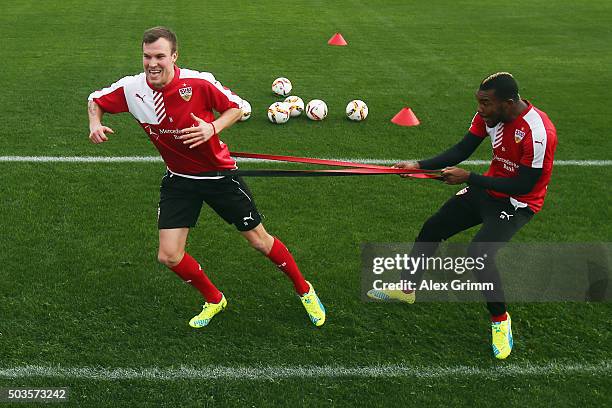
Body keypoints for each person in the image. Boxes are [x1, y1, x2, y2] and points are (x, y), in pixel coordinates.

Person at [87, 26, 325, 328]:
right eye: (147, 57)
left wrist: (212, 128)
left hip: (218, 176)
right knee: (169, 255)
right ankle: (214, 299)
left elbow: (237, 107)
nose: (152, 64)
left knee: (260, 241)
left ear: (174, 56)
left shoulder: (198, 83)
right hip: (179, 179)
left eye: (160, 56)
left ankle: (304, 289)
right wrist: (95, 123)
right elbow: (95, 99)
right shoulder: (132, 89)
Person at [368, 72, 557, 359]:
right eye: (479, 102)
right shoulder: (490, 115)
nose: (480, 109)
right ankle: (407, 288)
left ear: (508, 103)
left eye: (486, 103)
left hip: (517, 202)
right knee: (433, 227)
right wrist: (418, 165)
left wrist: (470, 177)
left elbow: (524, 184)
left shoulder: (538, 132)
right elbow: (462, 149)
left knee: (479, 255)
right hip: (488, 189)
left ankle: (500, 320)